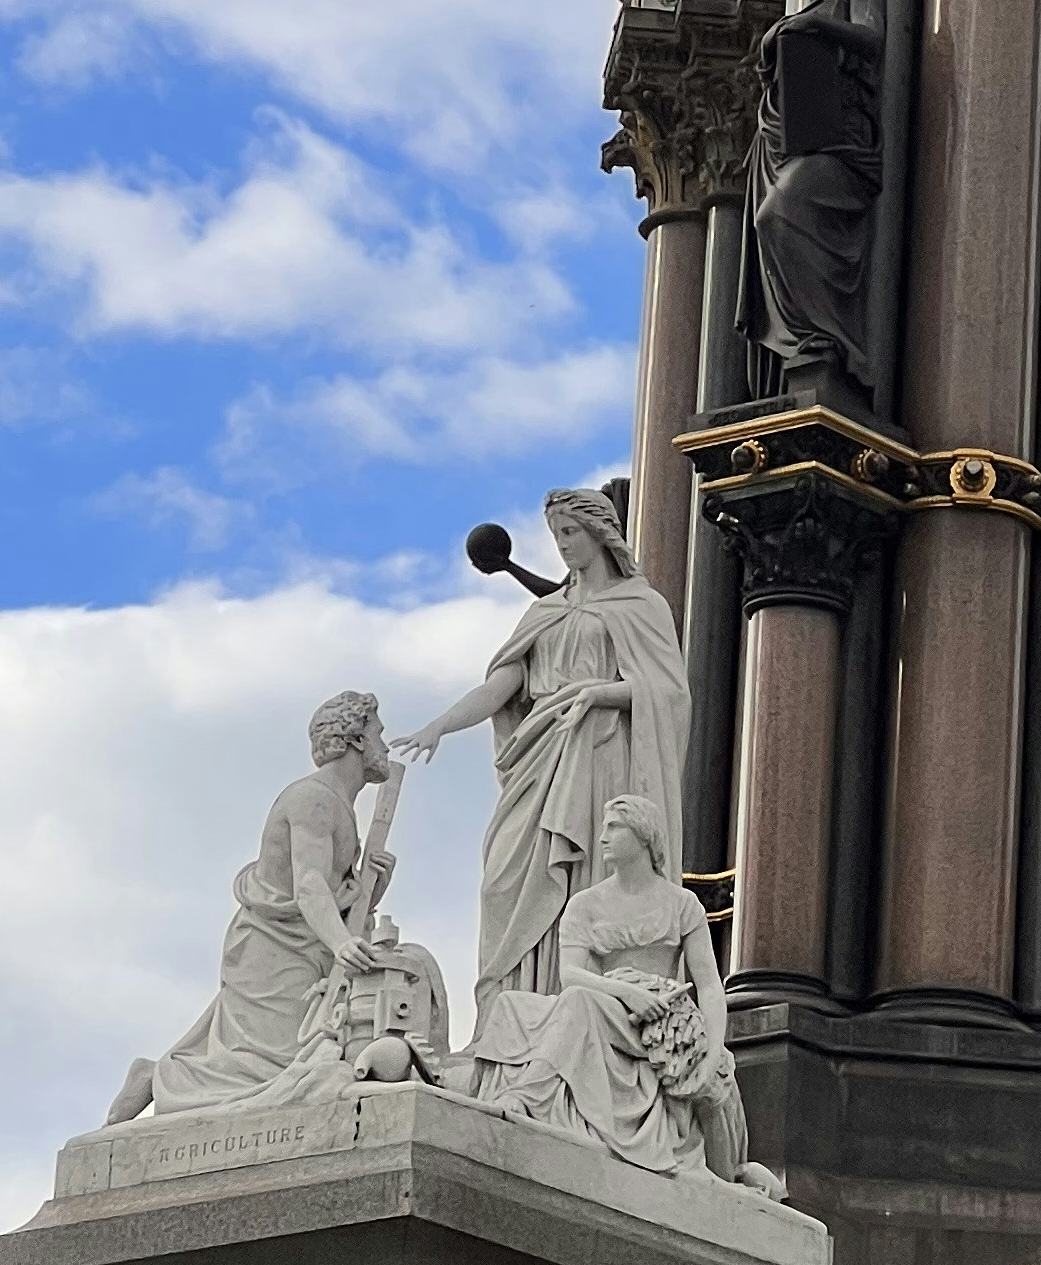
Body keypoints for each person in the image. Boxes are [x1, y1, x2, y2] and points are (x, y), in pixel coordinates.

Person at [395, 487, 692, 1024]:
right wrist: (442, 723)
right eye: (556, 536)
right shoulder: (545, 610)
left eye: (571, 532)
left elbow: (667, 694)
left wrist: (598, 692)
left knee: (588, 868)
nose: (562, 546)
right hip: (539, 754)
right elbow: (503, 686)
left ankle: (577, 1011)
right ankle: (512, 1014)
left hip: (598, 752)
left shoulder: (641, 606)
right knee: (504, 879)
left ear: (601, 533)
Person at [107, 693, 447, 1122]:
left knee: (284, 1061)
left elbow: (329, 893)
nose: (383, 744)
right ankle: (158, 1080)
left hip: (308, 944)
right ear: (357, 739)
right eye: (378, 733)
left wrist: (369, 889)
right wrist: (342, 943)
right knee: (267, 1065)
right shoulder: (313, 799)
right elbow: (307, 885)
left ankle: (161, 1076)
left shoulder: (340, 805)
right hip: (272, 946)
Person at [469, 795, 762, 1190]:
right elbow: (571, 975)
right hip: (608, 1003)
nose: (602, 837)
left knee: (579, 1004)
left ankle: (527, 1096)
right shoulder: (585, 905)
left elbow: (709, 985)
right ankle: (523, 1096)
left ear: (643, 835)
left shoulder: (681, 904)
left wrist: (712, 1048)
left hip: (658, 1022)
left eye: (614, 827)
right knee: (511, 1005)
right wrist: (623, 992)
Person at [738, 0, 889, 410]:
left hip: (840, 142)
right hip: (782, 140)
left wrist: (816, 30)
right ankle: (806, 339)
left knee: (778, 214)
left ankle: (831, 335)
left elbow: (872, 39)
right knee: (767, 223)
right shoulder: (793, 18)